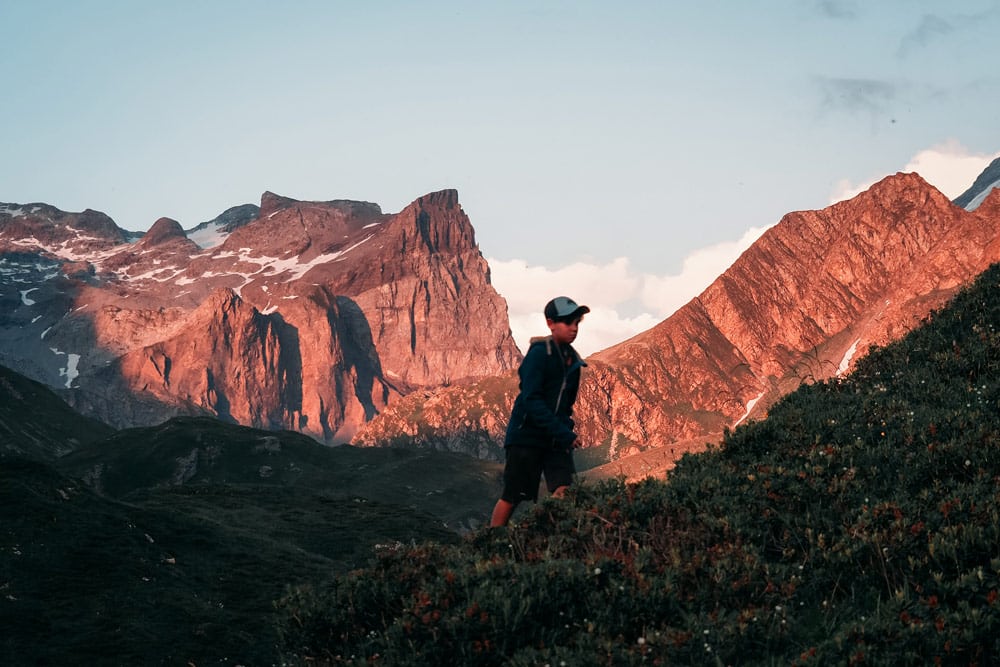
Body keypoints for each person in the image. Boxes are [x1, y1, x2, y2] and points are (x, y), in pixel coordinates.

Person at [490, 296, 589, 528]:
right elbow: (531, 399)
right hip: (526, 436)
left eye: (576, 322)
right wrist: (564, 433)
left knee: (564, 488)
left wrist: (564, 431)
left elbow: (566, 405)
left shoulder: (574, 363)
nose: (573, 328)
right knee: (513, 495)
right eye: (567, 322)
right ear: (550, 323)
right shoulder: (538, 355)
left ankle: (548, 535)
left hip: (555, 439)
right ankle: (490, 542)